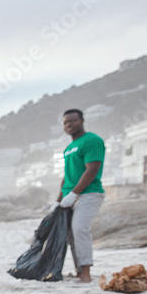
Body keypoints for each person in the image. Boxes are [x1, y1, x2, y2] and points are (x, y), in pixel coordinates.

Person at [56, 109, 105, 283]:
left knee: (80, 229)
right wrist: (58, 200)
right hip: (70, 195)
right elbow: (67, 175)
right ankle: (78, 270)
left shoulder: (92, 140)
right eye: (65, 123)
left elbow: (92, 169)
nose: (69, 125)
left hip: (89, 193)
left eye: (73, 121)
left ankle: (86, 273)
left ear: (82, 120)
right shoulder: (69, 148)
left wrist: (75, 193)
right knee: (70, 234)